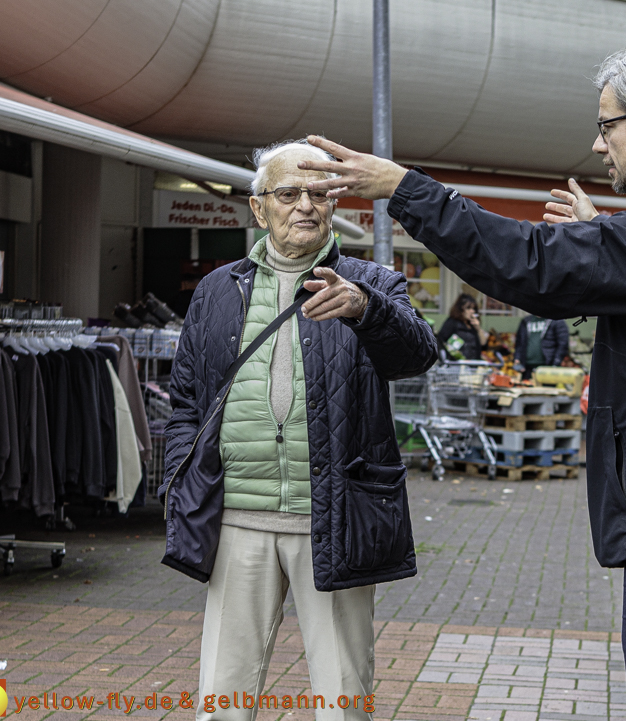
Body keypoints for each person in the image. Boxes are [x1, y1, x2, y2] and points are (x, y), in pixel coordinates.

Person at [299, 45, 626, 721]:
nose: (598, 143)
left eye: (608, 125)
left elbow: (531, 267)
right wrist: (604, 240)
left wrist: (403, 187)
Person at [162, 139, 437, 721]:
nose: (305, 206)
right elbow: (185, 400)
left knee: (343, 696)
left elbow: (416, 356)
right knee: (224, 695)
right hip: (237, 518)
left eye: (319, 193)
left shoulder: (370, 281)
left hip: (333, 517)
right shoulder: (217, 291)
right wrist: (180, 483)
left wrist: (366, 309)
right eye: (289, 193)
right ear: (260, 208)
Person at [435, 293, 487, 360]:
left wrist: (478, 329)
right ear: (461, 309)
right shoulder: (452, 322)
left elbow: (484, 345)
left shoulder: (473, 325)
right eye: (468, 308)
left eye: (474, 308)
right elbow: (441, 341)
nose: (472, 311)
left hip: (474, 364)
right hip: (457, 365)